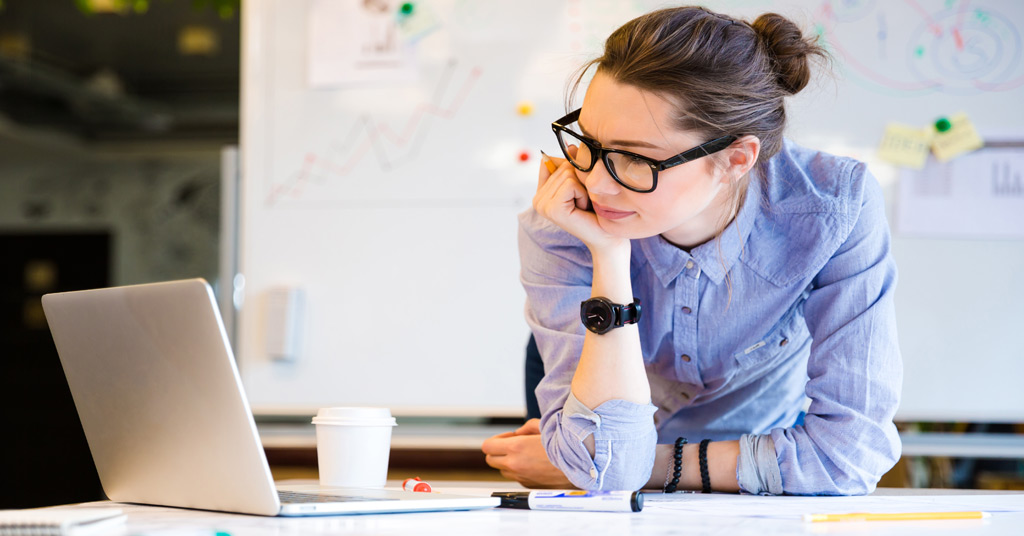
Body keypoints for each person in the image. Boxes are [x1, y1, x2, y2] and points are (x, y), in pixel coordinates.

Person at [481, 6, 902, 496]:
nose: (595, 183)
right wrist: (610, 254)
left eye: (635, 158)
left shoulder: (832, 207)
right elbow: (604, 469)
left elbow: (847, 457)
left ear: (734, 159)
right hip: (607, 428)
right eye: (588, 142)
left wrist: (650, 465)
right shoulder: (566, 215)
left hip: (762, 463)